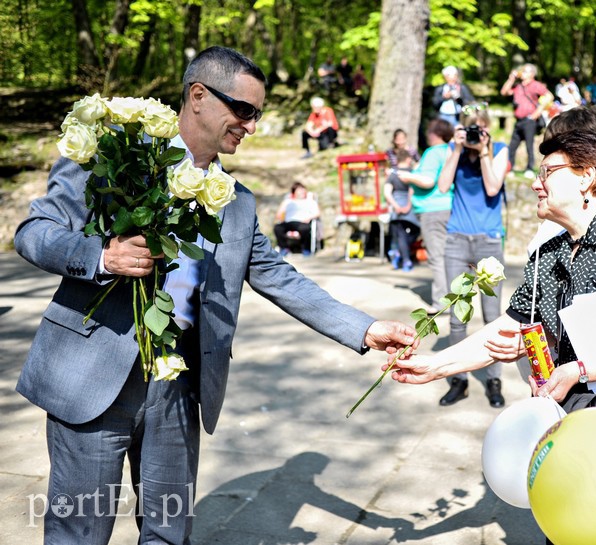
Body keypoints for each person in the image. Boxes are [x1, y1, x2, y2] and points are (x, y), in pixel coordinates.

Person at [14, 46, 417, 545]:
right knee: (78, 532)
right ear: (198, 96)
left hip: (180, 387)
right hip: (90, 378)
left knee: (168, 532)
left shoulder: (238, 201)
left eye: (258, 115)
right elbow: (35, 231)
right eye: (244, 111)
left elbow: (280, 277)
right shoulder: (112, 154)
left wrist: (367, 328)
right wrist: (102, 256)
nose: (251, 126)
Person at [388, 105, 596, 545]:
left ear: (587, 176)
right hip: (592, 419)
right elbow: (508, 328)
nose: (535, 182)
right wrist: (435, 366)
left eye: (549, 171)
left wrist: (577, 371)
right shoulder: (552, 255)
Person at [436, 103, 509, 408]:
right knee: (456, 315)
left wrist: (484, 152)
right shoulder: (457, 152)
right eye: (472, 128)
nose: (478, 132)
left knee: (492, 317)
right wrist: (455, 149)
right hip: (457, 240)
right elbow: (441, 187)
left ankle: (493, 379)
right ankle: (459, 380)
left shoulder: (500, 149)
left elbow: (493, 188)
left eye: (482, 126)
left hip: (489, 242)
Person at [396, 119, 455, 314]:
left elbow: (428, 181)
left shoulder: (432, 152)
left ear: (434, 133)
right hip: (447, 207)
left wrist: (407, 177)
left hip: (432, 210)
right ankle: (453, 297)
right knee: (447, 255)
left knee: (436, 257)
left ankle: (441, 303)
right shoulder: (451, 150)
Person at [500, 63, 552, 179]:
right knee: (512, 146)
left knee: (529, 145)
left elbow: (549, 96)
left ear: (532, 74)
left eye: (525, 71)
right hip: (518, 120)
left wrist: (538, 112)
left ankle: (529, 168)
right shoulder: (518, 86)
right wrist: (511, 79)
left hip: (530, 120)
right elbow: (504, 92)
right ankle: (510, 168)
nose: (522, 73)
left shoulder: (536, 85)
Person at [385, 150, 420, 272]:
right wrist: (408, 205)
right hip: (410, 207)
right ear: (408, 159)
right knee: (413, 232)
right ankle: (405, 259)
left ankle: (400, 254)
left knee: (401, 235)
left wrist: (395, 206)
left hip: (397, 208)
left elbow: (387, 193)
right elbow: (413, 190)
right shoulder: (412, 173)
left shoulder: (392, 175)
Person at [274, 181, 321, 256]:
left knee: (305, 229)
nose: (302, 192)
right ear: (294, 192)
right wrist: (280, 218)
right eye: (299, 190)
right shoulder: (287, 201)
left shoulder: (310, 201)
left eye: (303, 189)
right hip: (288, 222)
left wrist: (309, 218)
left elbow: (317, 213)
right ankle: (284, 248)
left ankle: (306, 248)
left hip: (302, 222)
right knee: (278, 228)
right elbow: (279, 213)